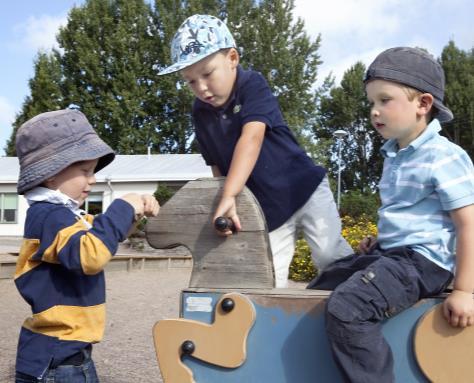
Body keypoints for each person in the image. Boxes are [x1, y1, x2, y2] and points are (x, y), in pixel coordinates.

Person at [308, 47, 474, 383]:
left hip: (425, 263)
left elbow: (467, 224)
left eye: (385, 100)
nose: (374, 111)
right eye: (372, 102)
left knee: (348, 308)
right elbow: (414, 217)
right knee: (325, 280)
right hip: (395, 256)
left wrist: (464, 290)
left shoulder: (443, 156)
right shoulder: (395, 155)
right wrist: (381, 241)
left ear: (423, 105)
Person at [158, 14, 352, 288]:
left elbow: (252, 138)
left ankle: (362, 305)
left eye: (207, 74)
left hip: (304, 189)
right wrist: (228, 199)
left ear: (232, 59)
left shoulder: (251, 84)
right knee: (267, 281)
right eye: (190, 81)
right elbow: (215, 164)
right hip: (267, 210)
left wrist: (229, 194)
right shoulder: (199, 112)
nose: (201, 87)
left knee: (330, 255)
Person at [13, 109, 160, 383]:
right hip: (57, 358)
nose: (92, 179)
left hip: (65, 352)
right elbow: (90, 255)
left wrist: (134, 214)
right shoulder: (48, 215)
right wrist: (123, 205)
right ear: (51, 175)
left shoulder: (64, 216)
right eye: (85, 171)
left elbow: (102, 235)